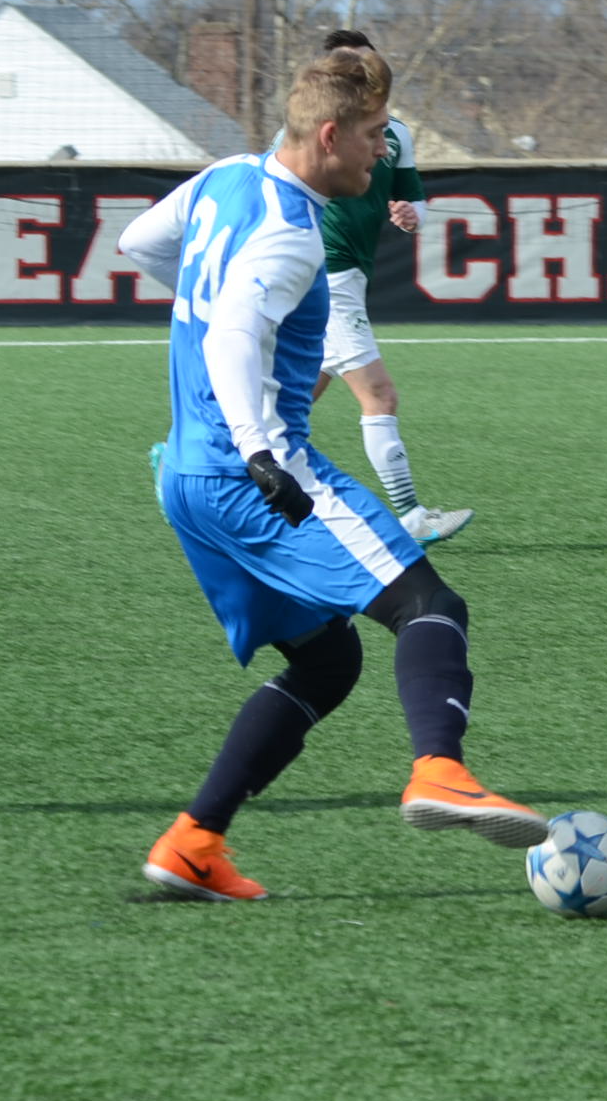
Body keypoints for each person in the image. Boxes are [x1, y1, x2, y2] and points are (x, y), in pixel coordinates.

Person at [119, 49, 543, 900]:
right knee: (428, 605)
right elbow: (233, 334)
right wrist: (258, 447)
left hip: (187, 477)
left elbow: (140, 242)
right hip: (257, 477)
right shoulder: (291, 232)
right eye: (375, 134)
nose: (384, 151)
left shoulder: (226, 178)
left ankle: (194, 842)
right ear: (328, 135)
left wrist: (215, 298)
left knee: (328, 662)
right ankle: (439, 770)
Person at [303, 29, 470, 547]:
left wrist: (411, 215)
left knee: (294, 398)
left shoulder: (395, 133)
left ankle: (206, 460)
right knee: (380, 394)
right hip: (326, 271)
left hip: (351, 271)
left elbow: (413, 197)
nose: (365, 75)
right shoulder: (312, 130)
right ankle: (412, 516)